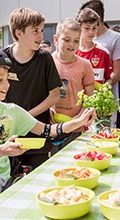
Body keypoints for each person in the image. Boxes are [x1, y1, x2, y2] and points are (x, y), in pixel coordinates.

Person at [0, 49, 95, 219]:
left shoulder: (12, 112)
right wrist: (3, 149)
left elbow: (48, 132)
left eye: (7, 79)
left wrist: (78, 122)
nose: (7, 85)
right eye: (0, 80)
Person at [3, 8, 62, 168]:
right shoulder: (2, 58)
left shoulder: (45, 58)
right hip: (9, 137)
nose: (41, 36)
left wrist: (26, 117)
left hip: (38, 137)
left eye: (42, 30)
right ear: (18, 32)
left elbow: (55, 95)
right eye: (35, 31)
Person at [79, 0, 120, 128]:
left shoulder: (115, 38)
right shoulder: (78, 43)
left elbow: (117, 74)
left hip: (104, 101)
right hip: (81, 102)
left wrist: (99, 91)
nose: (90, 31)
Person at [51, 18, 94, 152]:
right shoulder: (48, 63)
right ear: (56, 40)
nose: (72, 44)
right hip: (53, 126)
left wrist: (81, 116)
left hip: (77, 126)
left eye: (76, 40)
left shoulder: (85, 65)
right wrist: (49, 111)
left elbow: (90, 96)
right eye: (67, 39)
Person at [76, 8, 113, 85]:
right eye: (87, 28)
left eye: (94, 28)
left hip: (96, 96)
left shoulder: (104, 52)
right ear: (79, 28)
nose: (91, 32)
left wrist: (105, 89)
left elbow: (108, 79)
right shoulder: (73, 52)